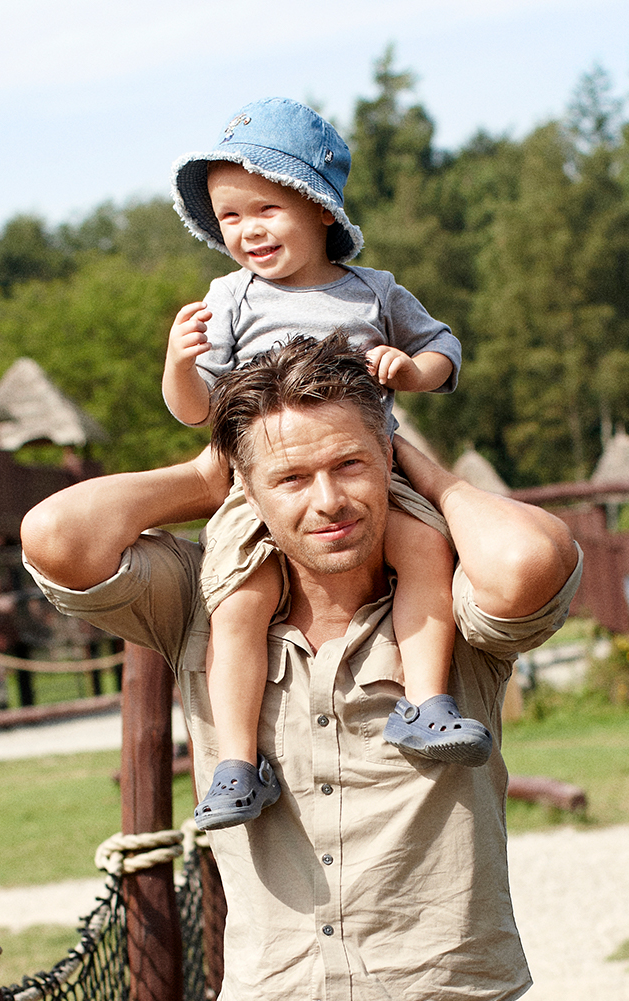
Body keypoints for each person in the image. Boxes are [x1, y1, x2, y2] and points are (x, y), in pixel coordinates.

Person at [21, 334, 582, 1001]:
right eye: (289, 477)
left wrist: (437, 480)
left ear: (387, 459)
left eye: (349, 463)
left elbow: (530, 558)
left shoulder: (454, 603)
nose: (328, 501)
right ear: (247, 492)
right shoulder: (201, 600)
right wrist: (206, 476)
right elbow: (57, 536)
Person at [163, 96, 484, 830]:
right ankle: (235, 763)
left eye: (265, 209)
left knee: (426, 547)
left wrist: (409, 370)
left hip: (369, 474)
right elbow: (190, 409)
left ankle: (425, 701)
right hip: (262, 484)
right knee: (238, 598)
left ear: (318, 210)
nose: (246, 231)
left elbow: (445, 350)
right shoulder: (232, 298)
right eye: (230, 216)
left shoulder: (373, 290)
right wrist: (180, 366)